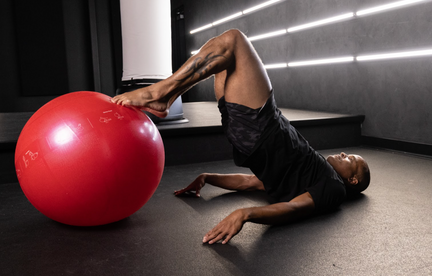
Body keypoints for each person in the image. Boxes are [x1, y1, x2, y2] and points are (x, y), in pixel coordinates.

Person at [111, 29, 370, 245]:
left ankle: (161, 93)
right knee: (219, 54)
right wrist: (208, 178)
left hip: (265, 128)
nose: (345, 154)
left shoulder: (333, 187)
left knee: (234, 40)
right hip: (248, 137)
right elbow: (250, 183)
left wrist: (245, 214)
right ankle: (165, 96)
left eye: (351, 160)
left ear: (353, 179)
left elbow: (295, 209)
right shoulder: (309, 175)